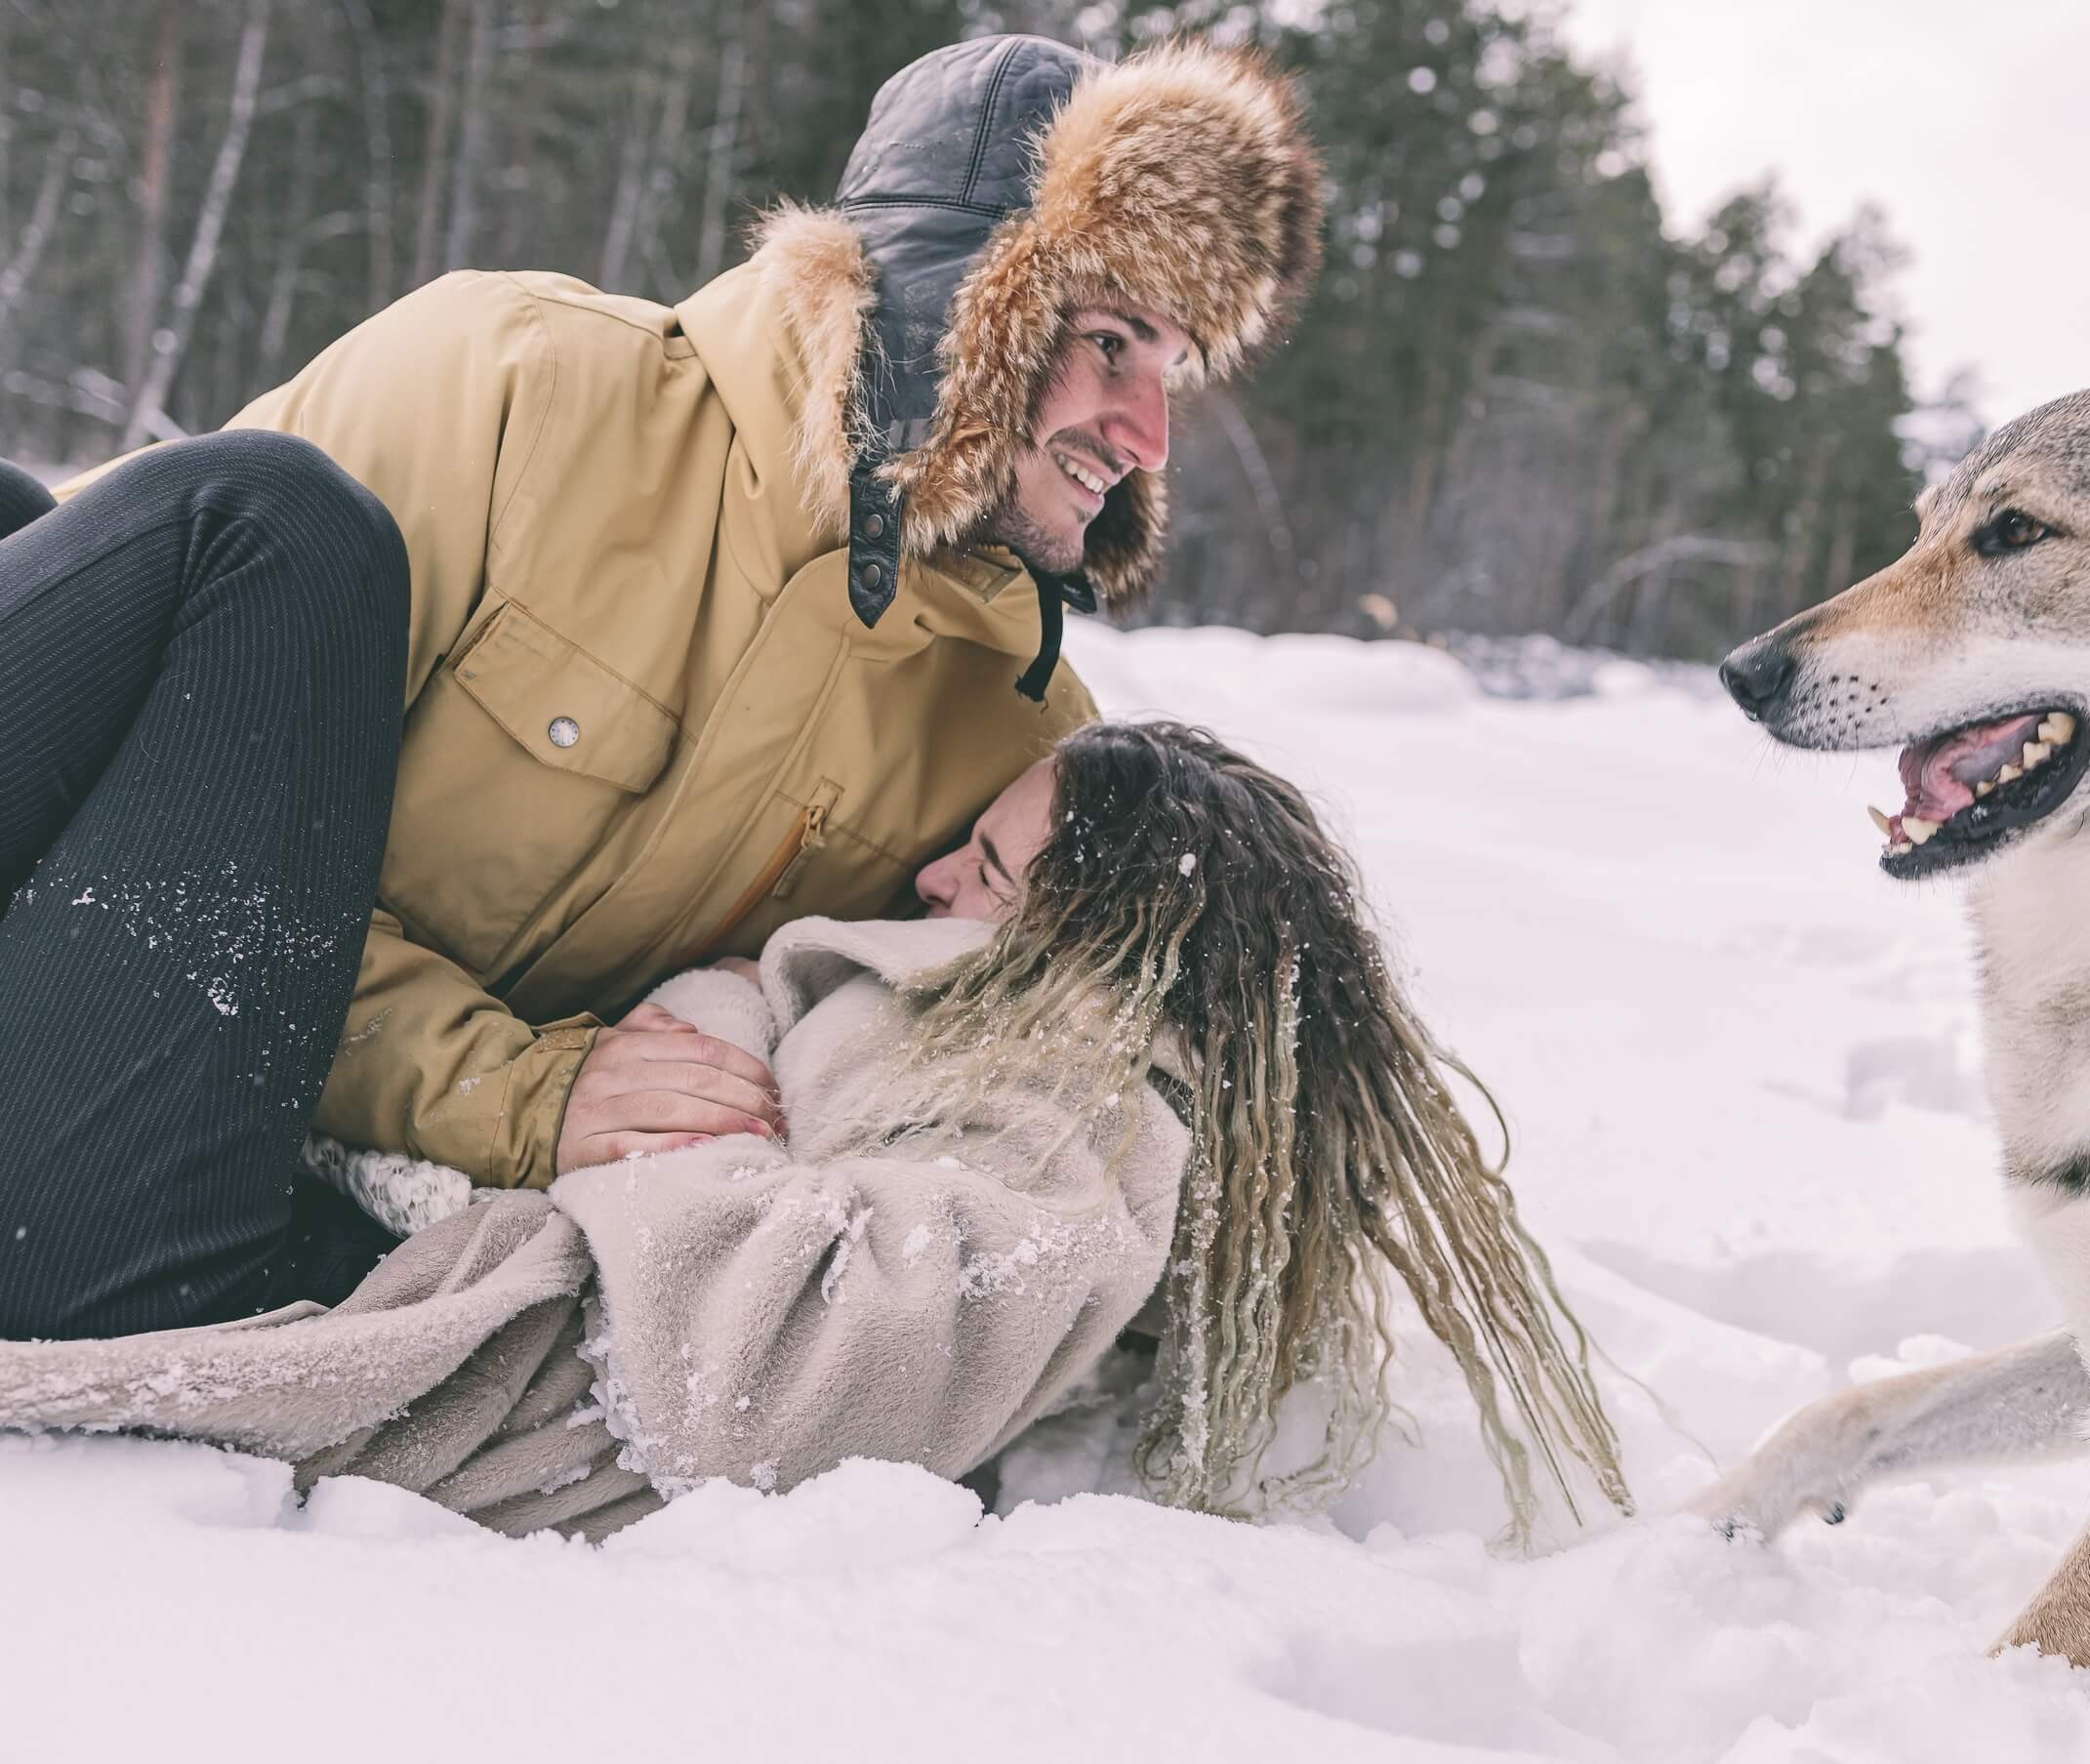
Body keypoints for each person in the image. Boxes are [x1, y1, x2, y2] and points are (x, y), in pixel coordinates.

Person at [0, 36, 1324, 1339]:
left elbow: (1062, 1089)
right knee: (187, 520)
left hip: (165, 1203)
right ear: (962, 306)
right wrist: (511, 1087)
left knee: (249, 517)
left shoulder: (1010, 741)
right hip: (83, 1020)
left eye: (1174, 370)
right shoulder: (517, 382)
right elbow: (105, 656)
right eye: (1111, 346)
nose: (1151, 435)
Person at [0, 722, 1632, 1540]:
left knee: (242, 550)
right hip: (344, 1224)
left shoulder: (1083, 1107)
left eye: (985, 872)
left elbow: (792, 1362)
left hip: (317, 1288)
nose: (931, 884)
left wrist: (705, 1040)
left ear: (1110, 945)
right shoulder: (1028, 1038)